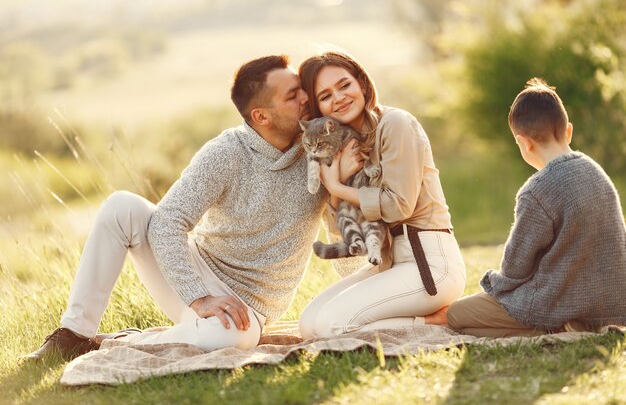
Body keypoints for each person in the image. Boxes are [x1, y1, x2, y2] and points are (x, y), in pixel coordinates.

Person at [24, 54, 336, 361]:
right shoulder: (225, 153)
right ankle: (73, 335)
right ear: (261, 116)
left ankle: (118, 343)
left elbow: (342, 224)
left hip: (250, 306)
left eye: (302, 89)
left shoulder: (321, 151)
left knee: (230, 338)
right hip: (199, 273)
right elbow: (167, 221)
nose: (306, 98)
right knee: (121, 206)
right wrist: (198, 297)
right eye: (293, 95)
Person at [297, 51, 466, 339]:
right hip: (389, 261)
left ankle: (438, 320)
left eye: (344, 85)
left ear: (362, 83)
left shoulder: (396, 124)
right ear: (319, 109)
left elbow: (398, 206)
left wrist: (337, 187)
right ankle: (417, 317)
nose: (338, 98)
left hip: (429, 262)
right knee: (310, 325)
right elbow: (341, 231)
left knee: (330, 326)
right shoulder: (341, 146)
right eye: (325, 96)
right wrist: (337, 179)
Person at [446, 78, 626, 337]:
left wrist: (491, 284)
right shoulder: (596, 172)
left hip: (553, 302)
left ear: (525, 143)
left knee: (457, 315)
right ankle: (581, 324)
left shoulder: (538, 189)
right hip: (606, 303)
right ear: (569, 131)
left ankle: (558, 327)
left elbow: (514, 270)